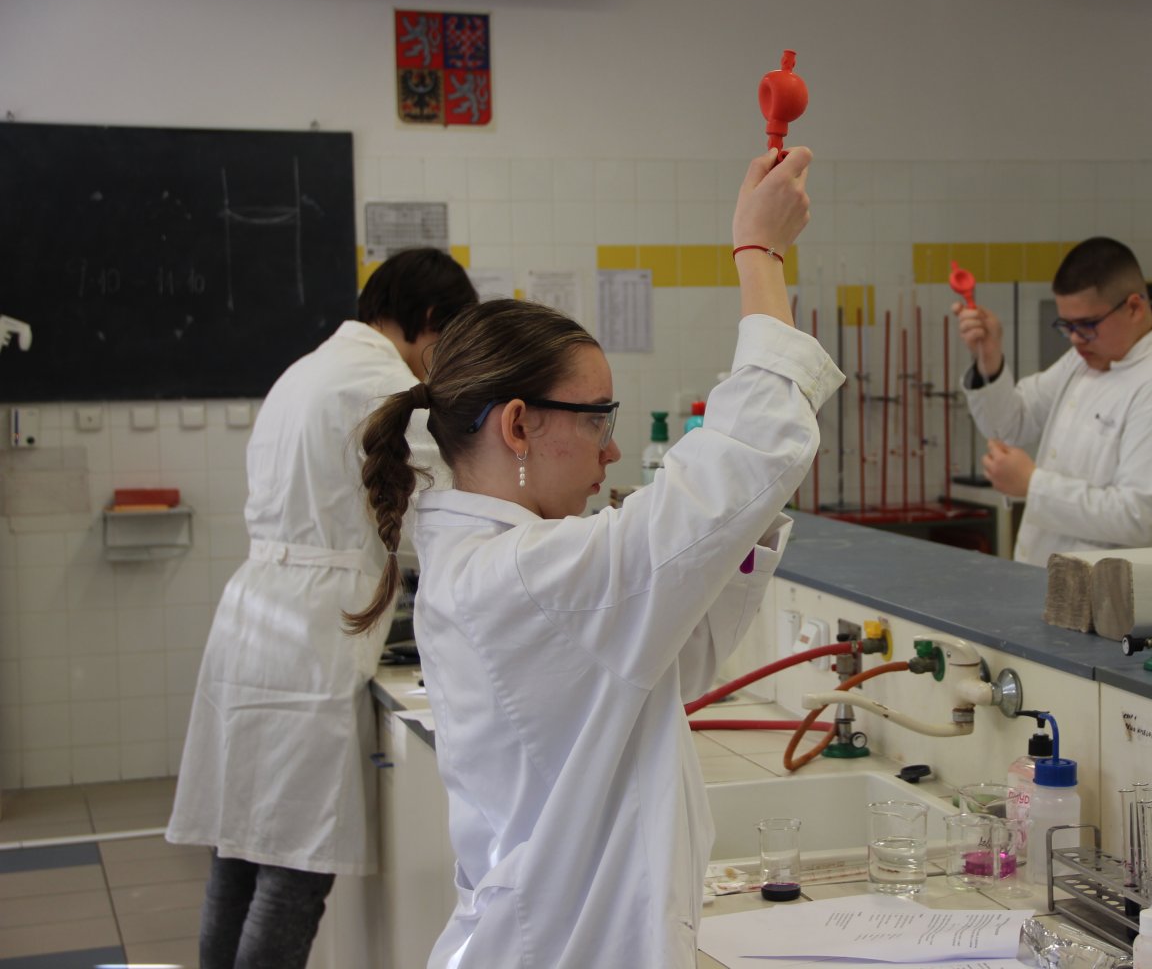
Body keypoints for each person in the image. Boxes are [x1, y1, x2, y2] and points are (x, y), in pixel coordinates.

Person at [346, 147, 837, 969]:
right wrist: (760, 256)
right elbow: (746, 450)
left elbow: (670, 665)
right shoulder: (528, 577)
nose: (610, 451)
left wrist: (733, 529)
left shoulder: (502, 564)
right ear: (518, 425)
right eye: (597, 419)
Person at [167, 248, 479, 969]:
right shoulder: (382, 383)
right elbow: (453, 501)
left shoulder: (303, 371)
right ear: (430, 318)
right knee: (293, 872)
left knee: (238, 855)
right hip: (310, 634)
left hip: (254, 614)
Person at [953, 236, 1152, 566]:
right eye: (1067, 325)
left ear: (1134, 307)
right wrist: (989, 358)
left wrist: (1033, 484)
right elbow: (1010, 425)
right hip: (1052, 579)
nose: (1075, 338)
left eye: (1087, 324)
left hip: (1118, 592)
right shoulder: (1083, 359)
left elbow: (1140, 517)